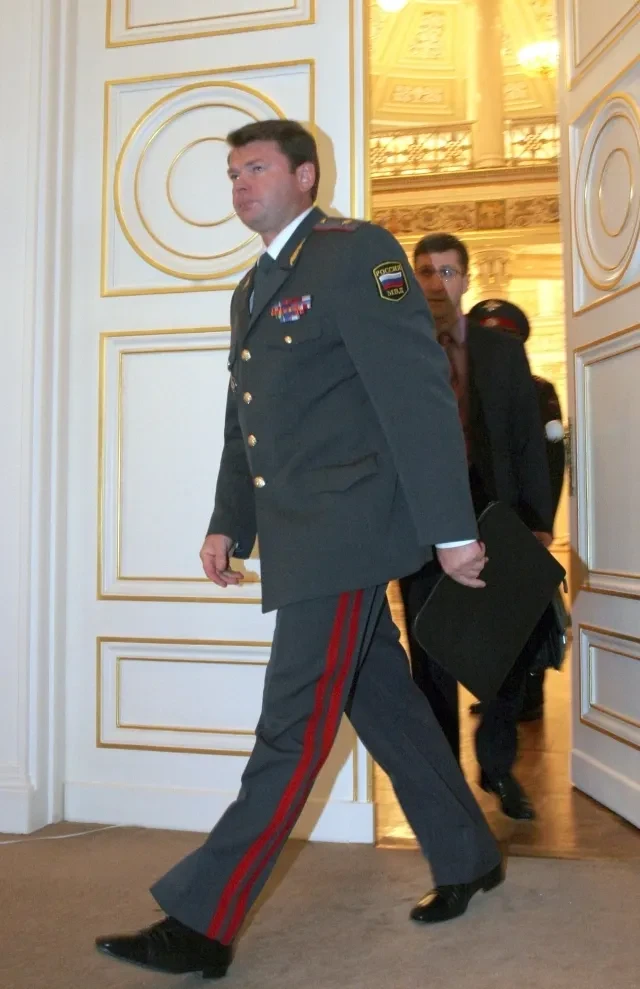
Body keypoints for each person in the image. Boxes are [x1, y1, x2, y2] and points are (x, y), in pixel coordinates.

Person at [94, 121, 503, 980]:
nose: (240, 184)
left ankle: (202, 922)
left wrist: (452, 529)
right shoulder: (254, 286)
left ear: (306, 176)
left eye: (257, 167)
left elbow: (416, 393)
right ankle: (469, 854)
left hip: (348, 534)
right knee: (384, 704)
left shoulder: (358, 254)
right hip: (301, 534)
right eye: (232, 172)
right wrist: (227, 522)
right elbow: (246, 421)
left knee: (291, 727)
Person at [400, 233, 553, 821]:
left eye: (447, 271)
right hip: (420, 527)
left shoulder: (501, 351)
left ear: (465, 280)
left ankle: (497, 767)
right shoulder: (398, 344)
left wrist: (536, 522)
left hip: (496, 519)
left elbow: (527, 439)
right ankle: (447, 784)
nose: (437, 282)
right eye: (425, 271)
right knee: (431, 654)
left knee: (505, 650)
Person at [467, 298, 566, 720]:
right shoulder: (463, 391)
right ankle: (497, 694)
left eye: (505, 338)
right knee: (487, 615)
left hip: (522, 520)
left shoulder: (539, 391)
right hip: (477, 522)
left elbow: (552, 460)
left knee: (527, 610)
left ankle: (531, 693)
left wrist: (542, 521)